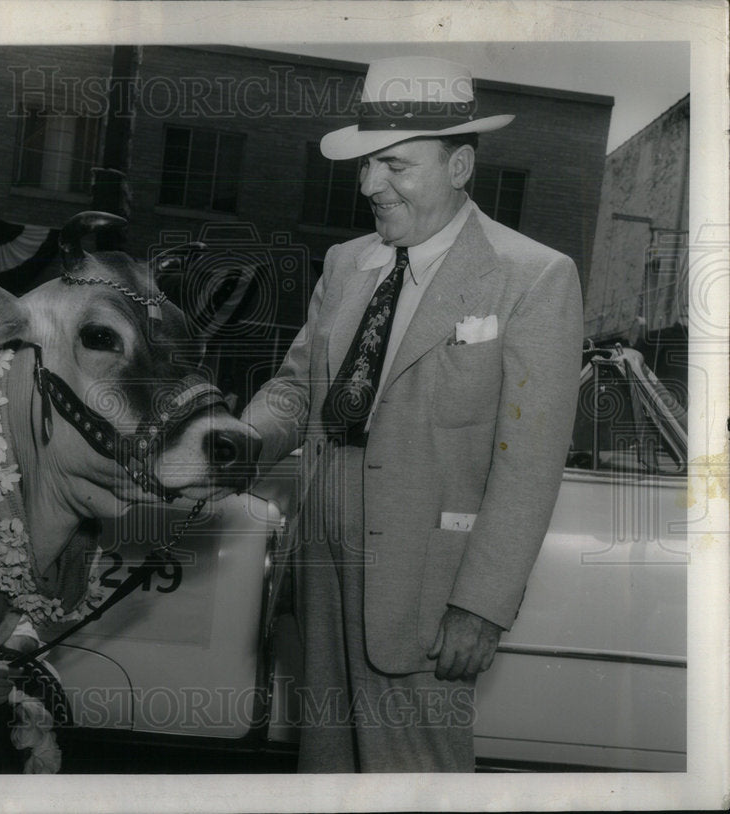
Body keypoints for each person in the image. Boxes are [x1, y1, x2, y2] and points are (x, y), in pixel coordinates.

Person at [242, 56, 583, 772]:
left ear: (459, 165)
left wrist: (481, 606)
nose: (370, 185)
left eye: (394, 165)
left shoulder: (533, 275)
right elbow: (298, 388)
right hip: (324, 573)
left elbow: (529, 464)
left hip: (425, 591)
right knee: (327, 774)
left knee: (415, 781)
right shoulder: (345, 263)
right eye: (366, 166)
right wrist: (234, 443)